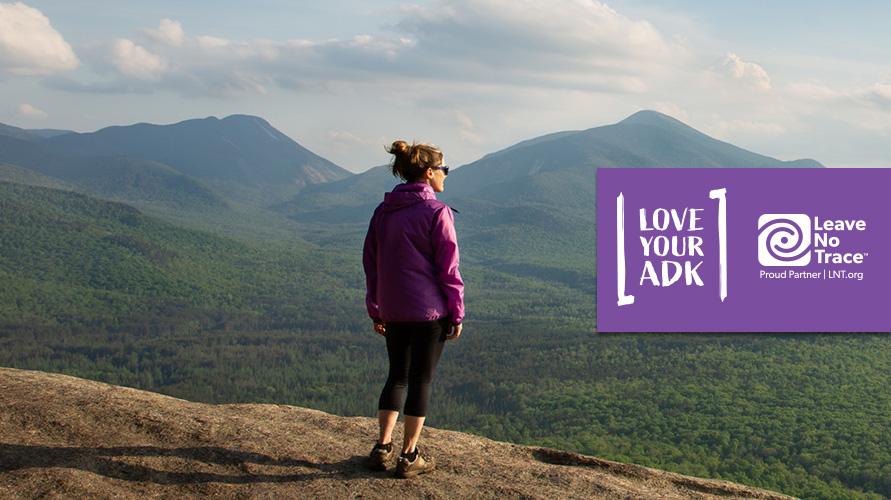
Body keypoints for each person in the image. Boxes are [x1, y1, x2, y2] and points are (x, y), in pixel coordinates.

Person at [362, 140, 465, 478]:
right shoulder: (437, 212)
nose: (446, 176)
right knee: (421, 379)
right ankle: (409, 456)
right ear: (429, 172)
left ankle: (381, 446)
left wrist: (376, 308)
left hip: (392, 309)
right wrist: (456, 312)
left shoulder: (383, 211)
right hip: (429, 312)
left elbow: (371, 263)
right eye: (444, 170)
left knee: (397, 375)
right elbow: (448, 270)